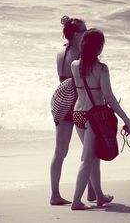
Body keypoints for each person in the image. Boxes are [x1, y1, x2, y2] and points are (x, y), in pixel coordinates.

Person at [71, 28, 130, 210]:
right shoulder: (101, 69)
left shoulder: (75, 65)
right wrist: (127, 120)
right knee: (87, 159)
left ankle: (99, 195)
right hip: (93, 116)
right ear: (98, 47)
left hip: (78, 114)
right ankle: (76, 200)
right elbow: (110, 98)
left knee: (94, 157)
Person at [50, 16, 95, 205]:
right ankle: (92, 192)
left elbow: (64, 78)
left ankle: (55, 194)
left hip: (61, 100)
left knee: (60, 151)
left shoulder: (61, 51)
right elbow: (86, 81)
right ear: (75, 34)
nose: (86, 33)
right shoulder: (81, 54)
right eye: (83, 31)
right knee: (90, 149)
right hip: (78, 103)